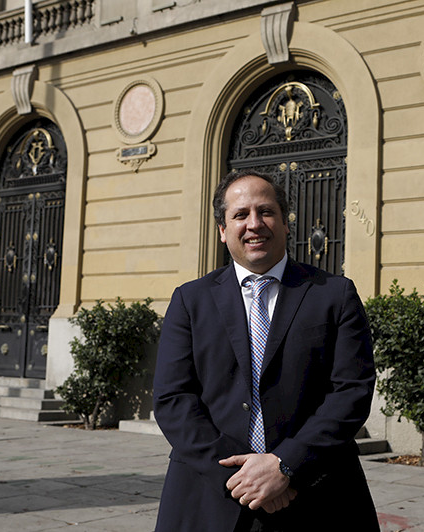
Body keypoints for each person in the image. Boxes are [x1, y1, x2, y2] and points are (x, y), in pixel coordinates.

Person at [152, 170, 380, 531]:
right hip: (210, 496)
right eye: (240, 214)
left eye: (266, 212)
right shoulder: (190, 300)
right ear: (223, 230)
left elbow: (352, 390)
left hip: (319, 494)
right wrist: (245, 477)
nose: (254, 224)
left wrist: (285, 464)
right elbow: (172, 398)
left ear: (286, 223)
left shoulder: (333, 294)